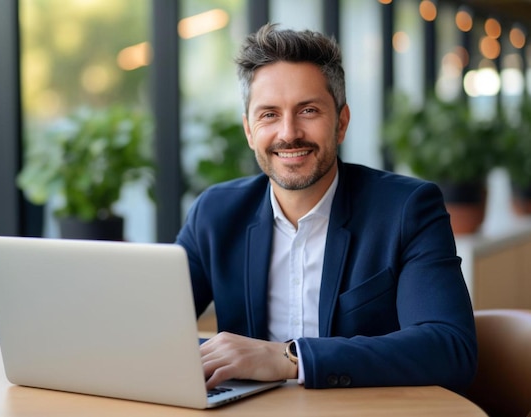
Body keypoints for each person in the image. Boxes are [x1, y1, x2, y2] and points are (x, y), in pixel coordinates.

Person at [175, 23, 477, 393]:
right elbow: (152, 328)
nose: (288, 133)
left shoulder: (406, 209)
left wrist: (288, 357)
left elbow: (449, 347)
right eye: (269, 114)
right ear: (249, 130)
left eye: (308, 110)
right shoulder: (215, 213)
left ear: (341, 122)